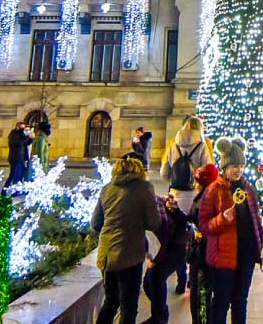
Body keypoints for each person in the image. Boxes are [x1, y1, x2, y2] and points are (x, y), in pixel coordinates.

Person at [199, 137, 263, 324]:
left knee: (240, 301)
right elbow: (203, 224)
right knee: (221, 303)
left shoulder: (248, 188)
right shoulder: (214, 190)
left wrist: (262, 246)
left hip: (246, 255)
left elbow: (256, 220)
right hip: (223, 257)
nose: (238, 170)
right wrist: (222, 219)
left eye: (241, 165)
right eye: (234, 165)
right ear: (225, 167)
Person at [91, 155, 161, 324]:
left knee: (111, 300)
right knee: (128, 306)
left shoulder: (107, 188)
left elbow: (95, 223)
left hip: (107, 255)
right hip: (130, 254)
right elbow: (154, 222)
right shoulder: (144, 187)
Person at [162, 116, 212, 294]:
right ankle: (192, 275)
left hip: (175, 197)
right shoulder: (202, 144)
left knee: (177, 236)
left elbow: (164, 172)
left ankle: (181, 277)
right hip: (194, 196)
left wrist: (175, 183)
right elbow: (209, 169)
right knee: (195, 236)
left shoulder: (174, 143)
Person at [143, 191, 189, 324]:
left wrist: (154, 260)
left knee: (155, 277)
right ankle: (160, 313)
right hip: (170, 245)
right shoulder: (152, 201)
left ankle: (160, 318)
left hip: (174, 247)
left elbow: (162, 235)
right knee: (149, 282)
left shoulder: (153, 206)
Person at [186, 163, 220, 324]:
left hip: (202, 255)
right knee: (200, 296)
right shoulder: (204, 196)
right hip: (200, 253)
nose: (194, 184)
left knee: (201, 297)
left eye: (197, 181)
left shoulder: (207, 199)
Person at [4, 122, 33, 191]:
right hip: (15, 157)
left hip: (21, 158)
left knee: (20, 175)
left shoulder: (21, 135)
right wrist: (27, 136)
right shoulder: (14, 134)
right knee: (13, 175)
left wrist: (31, 138)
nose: (23, 129)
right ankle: (5, 190)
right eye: (22, 128)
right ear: (17, 127)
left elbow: (26, 143)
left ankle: (16, 190)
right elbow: (20, 143)